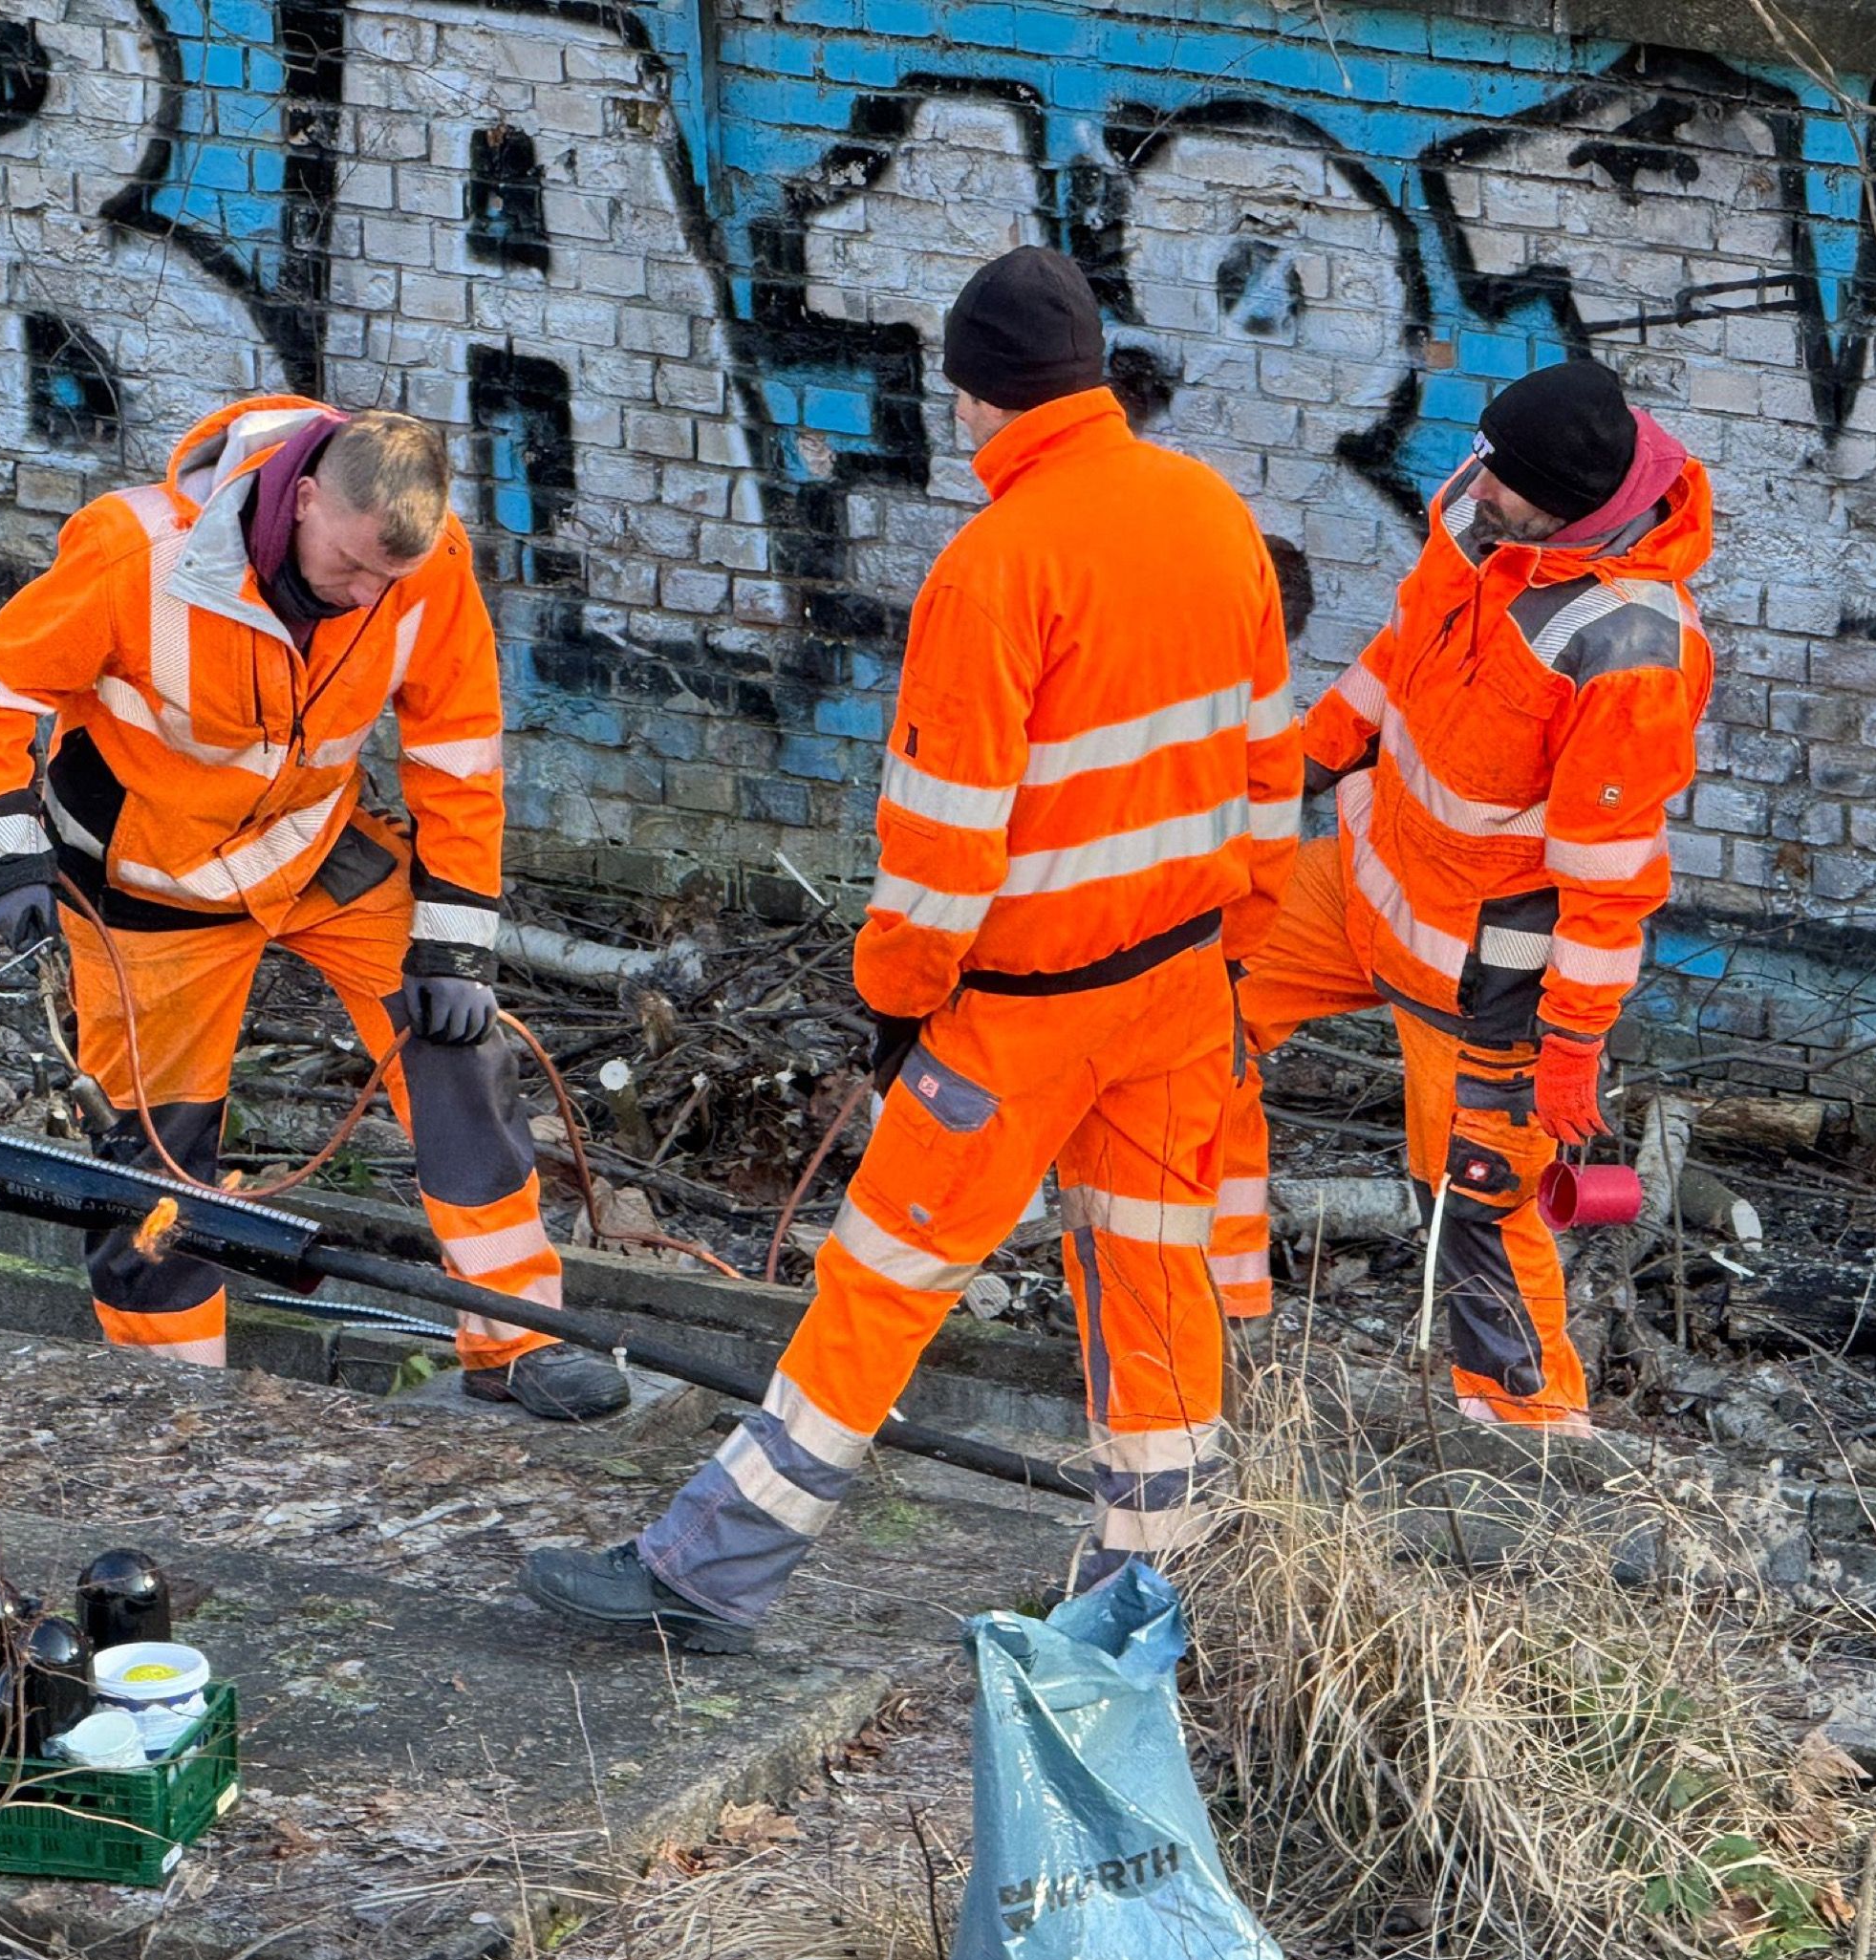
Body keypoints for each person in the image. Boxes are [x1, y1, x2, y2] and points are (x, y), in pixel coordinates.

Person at [519, 246, 1303, 1651]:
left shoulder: (994, 566)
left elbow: (943, 846)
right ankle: (1152, 1601)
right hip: (1182, 986)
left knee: (881, 1279)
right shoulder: (1210, 513)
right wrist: (1223, 950)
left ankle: (706, 1572)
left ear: (967, 397)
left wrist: (894, 1004)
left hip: (1020, 1012)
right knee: (1154, 1286)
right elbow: (1267, 768)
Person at [0, 395, 628, 1419]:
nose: (363, 596)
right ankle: (175, 1404)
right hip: (148, 883)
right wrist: (8, 862)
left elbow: (457, 750)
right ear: (299, 498)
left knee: (459, 1049)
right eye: (349, 568)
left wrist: (456, 950)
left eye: (385, 579)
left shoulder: (422, 567)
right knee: (154, 1158)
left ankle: (517, 1341)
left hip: (310, 849)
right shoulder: (142, 556)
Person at [1211, 358, 1714, 1433]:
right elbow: (1401, 652)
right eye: (1480, 460)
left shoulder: (1629, 655)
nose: (1472, 484)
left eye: (1500, 476)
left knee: (1478, 1197)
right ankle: (1215, 1309)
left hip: (1484, 969)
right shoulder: (1479, 528)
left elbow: (1608, 874)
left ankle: (1532, 1440)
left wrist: (1573, 1037)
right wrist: (1310, 756)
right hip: (1363, 879)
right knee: (1193, 1015)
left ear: (1569, 505)